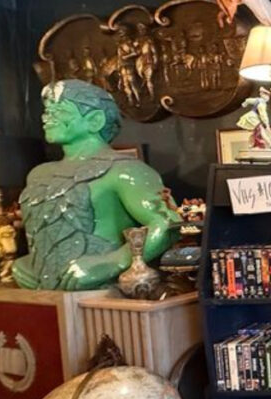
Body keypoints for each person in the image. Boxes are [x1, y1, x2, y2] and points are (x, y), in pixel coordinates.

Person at [13, 80, 178, 290]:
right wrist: (29, 265)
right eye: (47, 111)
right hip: (43, 296)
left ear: (95, 120)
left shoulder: (126, 170)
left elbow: (168, 224)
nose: (47, 117)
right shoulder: (38, 175)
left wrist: (112, 262)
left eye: (60, 111)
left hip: (103, 295)